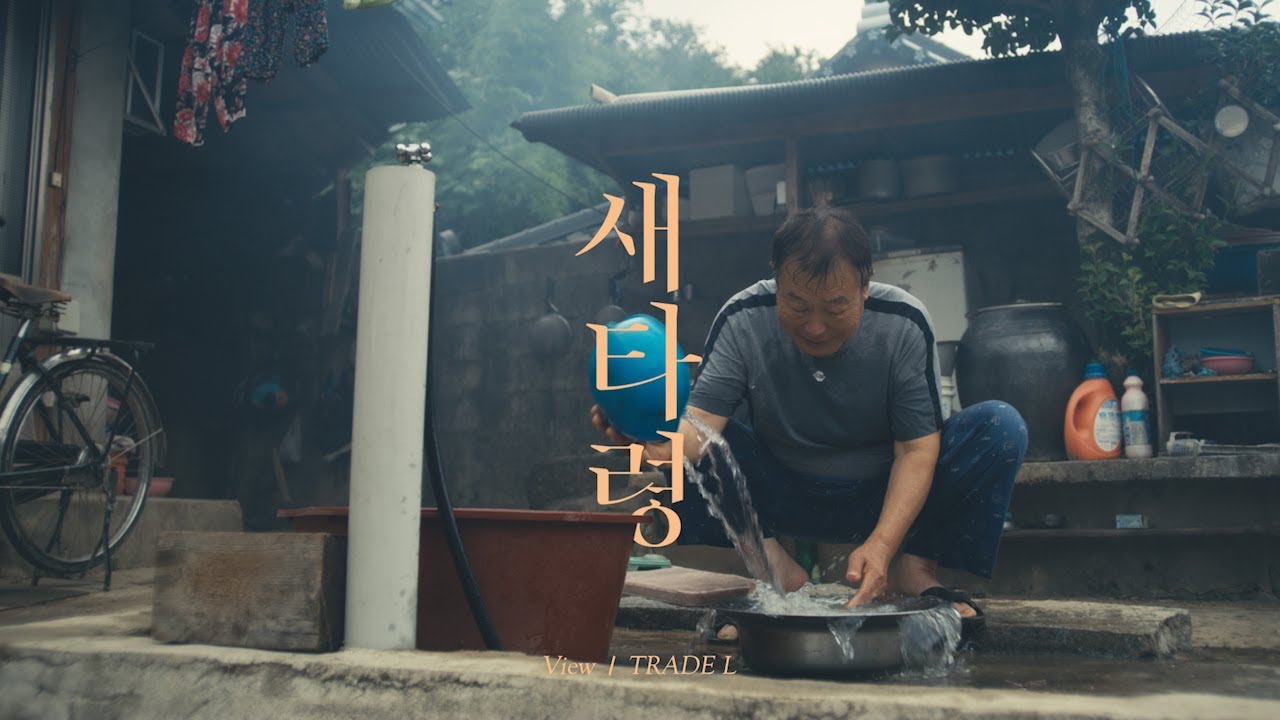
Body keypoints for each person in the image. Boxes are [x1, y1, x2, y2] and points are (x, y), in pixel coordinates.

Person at [591, 206, 1027, 637]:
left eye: (835, 307)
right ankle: (774, 567)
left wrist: (882, 545)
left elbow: (916, 451)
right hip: (781, 494)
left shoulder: (903, 323)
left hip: (883, 495)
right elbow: (700, 427)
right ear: (776, 280)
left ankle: (914, 569)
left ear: (865, 286)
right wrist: (651, 442)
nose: (815, 327)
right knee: (700, 436)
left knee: (999, 428)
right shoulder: (743, 318)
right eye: (796, 304)